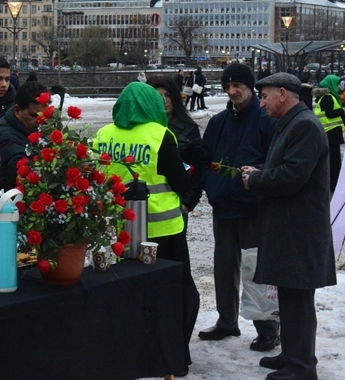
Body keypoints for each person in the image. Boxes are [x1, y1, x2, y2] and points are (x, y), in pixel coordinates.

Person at [93, 82, 199, 375]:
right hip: (163, 231)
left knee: (126, 292)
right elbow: (179, 181)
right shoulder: (159, 134)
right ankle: (173, 354)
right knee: (176, 294)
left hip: (118, 231)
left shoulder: (102, 135)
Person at [241, 73, 336, 380]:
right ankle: (293, 355)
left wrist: (255, 179)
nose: (262, 103)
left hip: (300, 231)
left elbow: (292, 176)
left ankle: (301, 367)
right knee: (290, 297)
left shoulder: (304, 125)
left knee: (298, 300)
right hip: (291, 228)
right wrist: (262, 172)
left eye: (265, 96)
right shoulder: (293, 123)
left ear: (283, 93)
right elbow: (285, 169)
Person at [195, 63, 280, 351]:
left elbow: (274, 162)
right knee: (224, 267)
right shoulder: (219, 122)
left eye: (238, 86)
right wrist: (212, 184)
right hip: (224, 207)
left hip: (253, 209)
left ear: (250, 87)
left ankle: (267, 327)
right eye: (228, 87)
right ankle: (227, 320)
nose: (232, 92)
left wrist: (256, 182)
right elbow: (205, 159)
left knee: (256, 269)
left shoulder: (266, 120)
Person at [148, 76, 202, 218]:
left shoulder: (188, 129)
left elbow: (198, 167)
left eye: (168, 95)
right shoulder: (142, 128)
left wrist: (188, 202)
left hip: (175, 202)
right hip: (146, 201)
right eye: (158, 96)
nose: (164, 101)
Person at [0, 81, 46, 191]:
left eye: (44, 115)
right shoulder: (5, 136)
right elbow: (18, 166)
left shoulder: (31, 128)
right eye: (33, 115)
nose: (40, 121)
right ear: (17, 111)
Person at [313, 74, 345, 194]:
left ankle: (334, 182)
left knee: (333, 160)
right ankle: (334, 184)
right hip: (331, 133)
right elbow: (330, 114)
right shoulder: (328, 97)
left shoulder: (325, 97)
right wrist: (342, 110)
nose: (338, 87)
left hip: (330, 133)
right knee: (334, 161)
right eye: (337, 84)